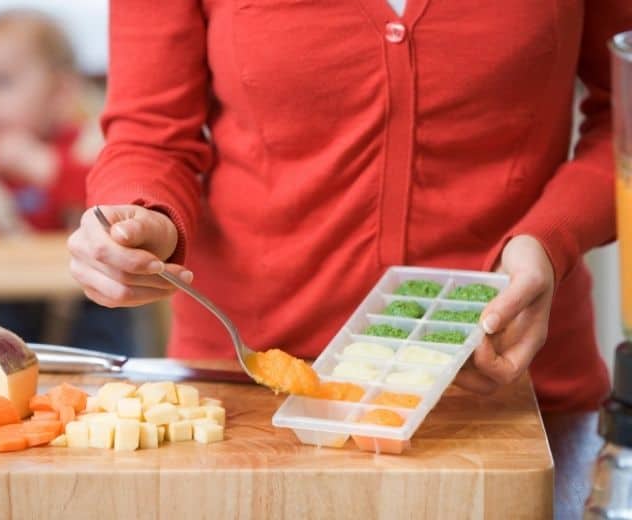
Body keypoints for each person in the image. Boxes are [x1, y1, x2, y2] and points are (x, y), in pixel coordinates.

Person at [68, 1, 632, 411]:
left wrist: (550, 239)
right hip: (249, 397)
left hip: (513, 389)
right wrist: (144, 217)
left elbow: (625, 115)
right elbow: (150, 135)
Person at [0, 10, 135, 353]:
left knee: (108, 297)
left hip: (74, 300)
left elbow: (118, 205)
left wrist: (43, 166)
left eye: (2, 82)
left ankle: (103, 384)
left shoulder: (81, 145)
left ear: (60, 93)